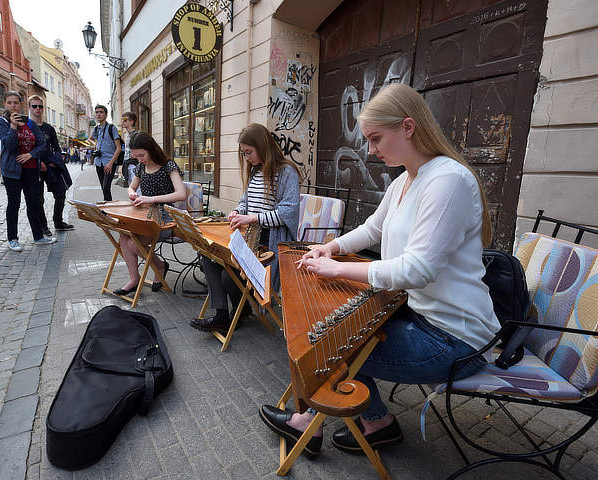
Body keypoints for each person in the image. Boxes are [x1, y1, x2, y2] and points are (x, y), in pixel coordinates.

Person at [258, 83, 500, 457]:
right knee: (331, 329)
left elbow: (417, 269)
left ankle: (321, 425)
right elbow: (373, 229)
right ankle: (375, 424)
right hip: (418, 313)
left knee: (327, 347)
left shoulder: (447, 180)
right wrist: (331, 247)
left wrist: (336, 271)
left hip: (455, 339)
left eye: (375, 138)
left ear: (407, 127)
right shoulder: (406, 178)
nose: (370, 149)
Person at [190, 123, 301, 335]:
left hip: (269, 243)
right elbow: (245, 202)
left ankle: (242, 311)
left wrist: (252, 218)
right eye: (244, 153)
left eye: (249, 152)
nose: (247, 157)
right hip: (249, 237)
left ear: (263, 146)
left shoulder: (287, 172)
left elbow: (289, 212)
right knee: (207, 254)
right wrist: (237, 211)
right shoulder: (256, 171)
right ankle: (222, 315)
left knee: (228, 275)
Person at [113, 132, 186, 296]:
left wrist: (152, 199)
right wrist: (132, 193)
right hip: (145, 214)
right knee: (124, 235)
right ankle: (134, 278)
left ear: (151, 149)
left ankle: (159, 266)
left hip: (165, 217)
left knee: (133, 243)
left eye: (142, 155)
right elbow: (131, 187)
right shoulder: (141, 167)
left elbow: (181, 194)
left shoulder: (169, 165)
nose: (139, 159)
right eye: (136, 156)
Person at [0, 90, 55, 252]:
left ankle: (38, 236)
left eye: (16, 102)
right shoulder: (2, 122)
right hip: (12, 171)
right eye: (10, 103)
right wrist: (13, 127)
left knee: (34, 203)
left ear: (21, 104)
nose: (13, 105)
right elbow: (8, 145)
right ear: (5, 104)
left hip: (30, 169)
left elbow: (42, 144)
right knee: (14, 204)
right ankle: (12, 238)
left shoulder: (30, 123)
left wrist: (30, 154)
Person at [27, 95, 74, 232]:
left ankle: (58, 222)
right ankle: (43, 227)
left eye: (40, 106)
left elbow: (56, 148)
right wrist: (37, 162)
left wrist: (55, 161)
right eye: (34, 106)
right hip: (35, 167)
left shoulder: (49, 128)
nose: (37, 109)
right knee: (38, 199)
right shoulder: (27, 127)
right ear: (29, 108)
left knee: (60, 193)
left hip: (51, 166)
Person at [90, 104, 123, 201]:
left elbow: (118, 148)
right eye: (96, 112)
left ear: (106, 114)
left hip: (109, 163)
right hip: (98, 162)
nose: (98, 114)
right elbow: (90, 138)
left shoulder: (111, 128)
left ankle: (109, 208)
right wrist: (95, 144)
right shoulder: (96, 129)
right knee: (104, 188)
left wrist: (111, 163)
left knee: (106, 187)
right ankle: (107, 206)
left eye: (101, 112)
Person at [118, 111, 138, 187]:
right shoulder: (128, 135)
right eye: (122, 120)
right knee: (132, 187)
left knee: (137, 189)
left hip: (134, 164)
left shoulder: (136, 135)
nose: (123, 122)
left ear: (132, 122)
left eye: (125, 120)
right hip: (128, 164)